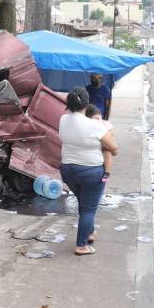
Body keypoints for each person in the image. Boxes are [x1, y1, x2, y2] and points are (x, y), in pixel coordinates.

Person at [59, 87, 118, 256]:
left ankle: (89, 233)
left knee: (84, 205)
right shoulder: (95, 125)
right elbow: (113, 147)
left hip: (68, 171)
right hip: (91, 172)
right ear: (87, 104)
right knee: (88, 210)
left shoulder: (63, 119)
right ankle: (81, 246)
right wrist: (111, 152)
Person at [85, 104, 114, 183]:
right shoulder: (87, 126)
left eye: (99, 118)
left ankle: (107, 173)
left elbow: (111, 135)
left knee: (108, 153)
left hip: (104, 145)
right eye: (96, 118)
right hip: (93, 146)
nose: (99, 120)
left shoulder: (105, 124)